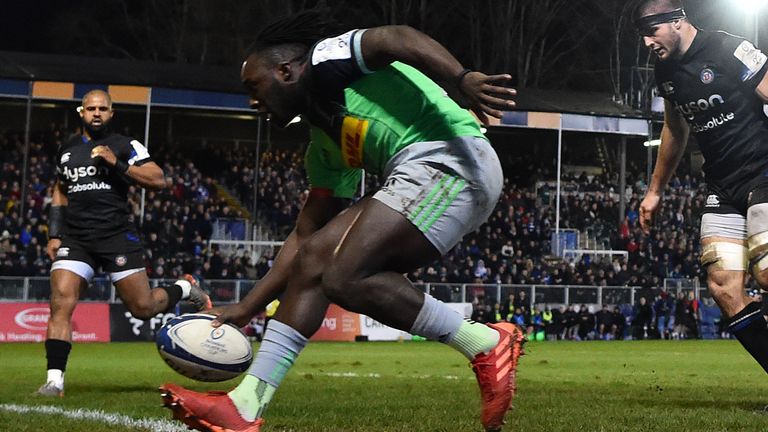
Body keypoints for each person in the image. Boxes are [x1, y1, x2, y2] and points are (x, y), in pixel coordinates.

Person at [159, 11, 522, 432]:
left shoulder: (326, 61)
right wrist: (247, 308)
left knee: (344, 275)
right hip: (418, 171)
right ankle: (245, 406)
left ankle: (485, 342)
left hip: (452, 160)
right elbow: (305, 236)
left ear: (286, 71)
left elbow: (395, 36)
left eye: (253, 86)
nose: (252, 101)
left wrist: (462, 79)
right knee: (316, 261)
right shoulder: (327, 143)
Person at [37, 90, 212, 397]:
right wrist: (54, 233)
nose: (96, 113)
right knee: (60, 301)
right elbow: (60, 191)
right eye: (90, 108)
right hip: (76, 238)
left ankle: (182, 289)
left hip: (116, 236)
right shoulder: (67, 149)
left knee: (143, 307)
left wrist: (116, 162)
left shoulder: (124, 144)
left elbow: (158, 179)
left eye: (102, 108)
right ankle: (54, 381)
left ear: (111, 113)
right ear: (81, 112)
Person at [635, 0, 768, 372]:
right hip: (722, 186)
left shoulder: (728, 48)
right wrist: (655, 190)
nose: (647, 43)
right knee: (724, 287)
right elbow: (675, 130)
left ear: (677, 21)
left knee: (766, 271)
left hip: (763, 171)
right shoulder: (665, 72)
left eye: (651, 32)